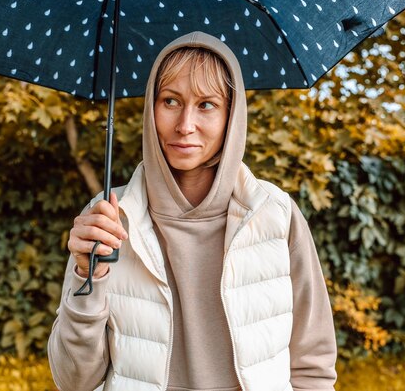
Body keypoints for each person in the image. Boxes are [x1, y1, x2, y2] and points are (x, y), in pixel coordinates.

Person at [48, 31, 337, 391]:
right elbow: (73, 380)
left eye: (206, 105)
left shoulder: (274, 214)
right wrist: (85, 273)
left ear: (232, 116)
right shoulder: (108, 218)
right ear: (151, 108)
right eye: (170, 101)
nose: (185, 125)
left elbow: (313, 366)